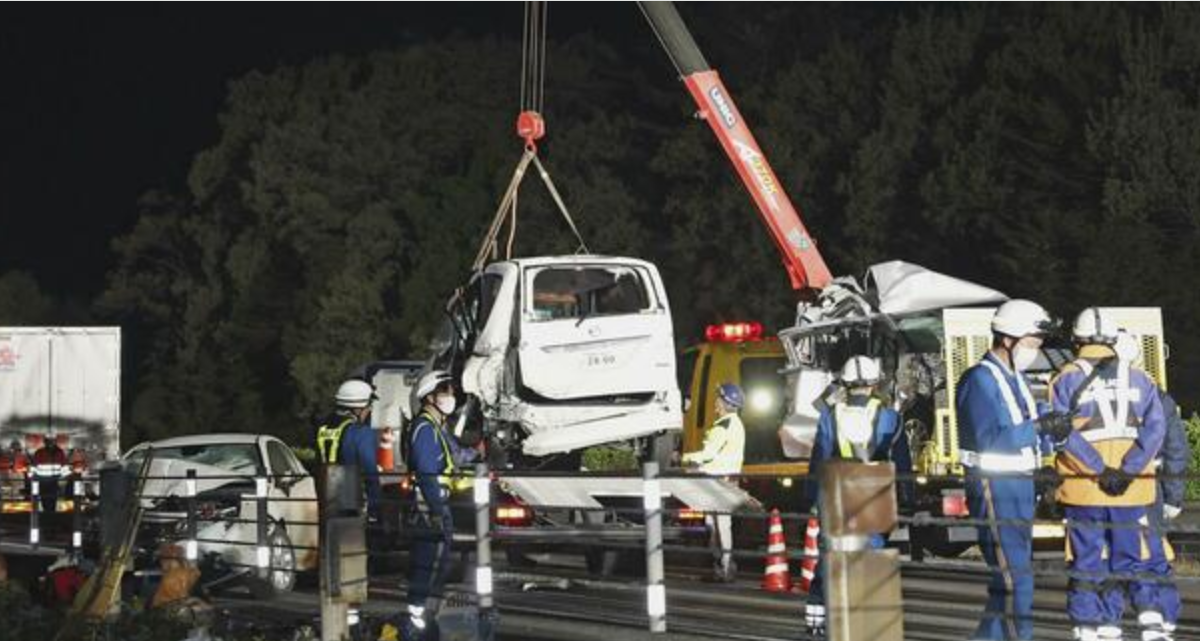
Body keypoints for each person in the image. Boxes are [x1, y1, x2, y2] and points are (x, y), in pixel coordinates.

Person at [1053, 311, 1174, 641]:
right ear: (1111, 340)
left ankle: (1089, 628)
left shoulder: (1064, 379)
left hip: (1085, 489)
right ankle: (1143, 625)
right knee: (1132, 558)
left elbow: (1061, 435)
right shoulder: (1141, 378)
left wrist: (1099, 471)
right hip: (1132, 492)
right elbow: (1156, 430)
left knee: (1087, 560)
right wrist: (1127, 471)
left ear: (1076, 341)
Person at [956, 299, 1073, 641]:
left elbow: (1029, 427)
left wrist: (1047, 449)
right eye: (1031, 343)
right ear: (1007, 339)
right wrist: (1039, 427)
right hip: (995, 488)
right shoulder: (979, 380)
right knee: (1015, 580)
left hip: (1019, 487)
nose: (1034, 350)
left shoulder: (1017, 379)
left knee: (1008, 582)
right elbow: (991, 439)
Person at [804, 355, 911, 638]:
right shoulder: (890, 417)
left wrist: (811, 500)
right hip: (875, 490)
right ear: (875, 383)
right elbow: (902, 463)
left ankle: (821, 621)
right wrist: (908, 499)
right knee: (872, 558)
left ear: (844, 383)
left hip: (837, 488)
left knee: (833, 558)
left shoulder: (830, 415)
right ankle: (870, 626)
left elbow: (819, 460)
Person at [384, 370, 478, 641]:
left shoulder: (435, 427)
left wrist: (479, 454)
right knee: (428, 568)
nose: (451, 397)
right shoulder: (425, 428)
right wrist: (436, 511)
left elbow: (455, 454)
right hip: (430, 510)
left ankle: (423, 624)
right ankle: (417, 627)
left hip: (436, 507)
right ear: (429, 397)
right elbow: (426, 472)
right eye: (445, 391)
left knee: (434, 568)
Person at [681, 382, 747, 582]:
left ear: (726, 403)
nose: (715, 402)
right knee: (717, 524)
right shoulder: (735, 424)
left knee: (719, 525)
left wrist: (684, 458)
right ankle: (722, 565)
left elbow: (708, 454)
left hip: (718, 482)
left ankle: (724, 566)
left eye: (719, 398)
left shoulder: (724, 426)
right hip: (726, 480)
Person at [316, 379, 382, 515]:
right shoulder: (361, 433)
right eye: (369, 406)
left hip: (323, 498)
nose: (370, 410)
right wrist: (376, 508)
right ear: (358, 408)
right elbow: (371, 475)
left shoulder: (322, 428)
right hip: (349, 500)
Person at [32, 433, 67, 514]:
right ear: (45, 442)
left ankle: (51, 516)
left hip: (54, 480)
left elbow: (64, 466)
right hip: (43, 480)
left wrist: (63, 481)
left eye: (51, 441)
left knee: (53, 499)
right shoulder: (39, 452)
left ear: (54, 441)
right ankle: (47, 516)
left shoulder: (59, 452)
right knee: (45, 499)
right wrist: (34, 478)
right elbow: (34, 466)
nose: (50, 443)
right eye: (48, 441)